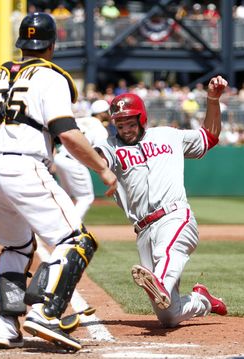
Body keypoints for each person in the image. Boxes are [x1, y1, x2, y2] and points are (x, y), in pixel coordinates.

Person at [0, 12, 117, 351]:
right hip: (25, 165)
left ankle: (4, 324)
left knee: (16, 247)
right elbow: (68, 134)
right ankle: (46, 313)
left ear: (21, 43)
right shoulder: (51, 78)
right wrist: (103, 169)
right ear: (52, 44)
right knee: (77, 240)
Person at [95, 75, 228, 328]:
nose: (125, 129)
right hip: (143, 230)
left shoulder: (168, 135)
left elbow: (208, 138)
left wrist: (212, 100)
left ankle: (162, 284)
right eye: (120, 124)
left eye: (130, 123)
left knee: (166, 255)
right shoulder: (111, 146)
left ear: (141, 119)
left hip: (175, 216)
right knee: (168, 315)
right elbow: (98, 158)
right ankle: (203, 301)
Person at [54, 100, 110, 221]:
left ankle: (56, 224)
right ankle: (72, 229)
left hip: (60, 157)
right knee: (86, 197)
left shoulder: (82, 120)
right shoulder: (100, 129)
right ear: (102, 113)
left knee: (65, 197)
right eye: (106, 112)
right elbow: (99, 151)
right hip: (74, 161)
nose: (108, 114)